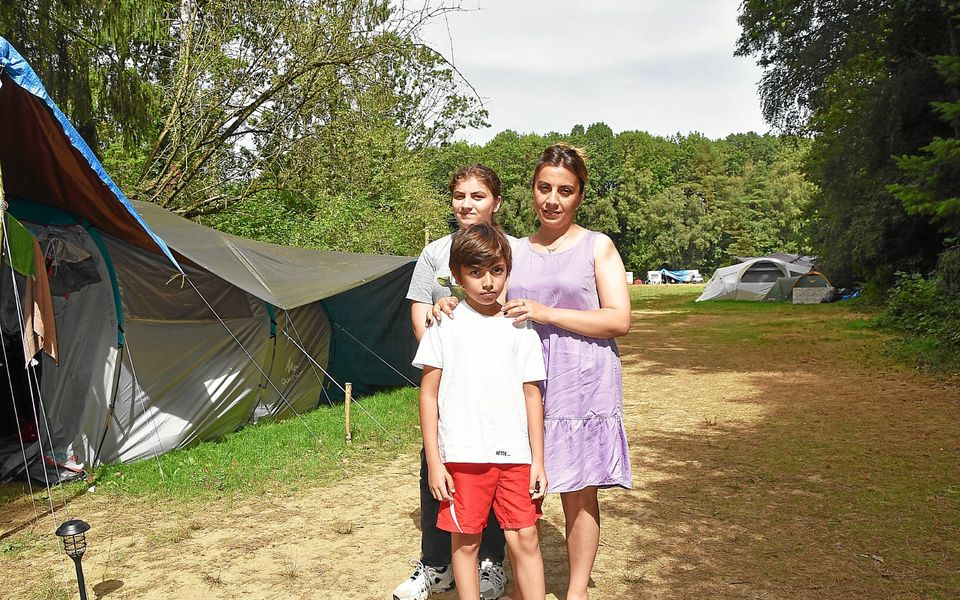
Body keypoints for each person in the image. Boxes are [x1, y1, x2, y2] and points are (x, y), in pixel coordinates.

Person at [432, 144, 632, 599]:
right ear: (533, 191)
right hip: (522, 382)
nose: (552, 200)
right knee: (524, 491)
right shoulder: (516, 249)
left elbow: (619, 319)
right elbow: (487, 294)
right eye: (544, 188)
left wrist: (546, 312)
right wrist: (449, 304)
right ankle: (526, 588)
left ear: (580, 195)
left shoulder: (597, 246)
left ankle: (576, 590)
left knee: (579, 491)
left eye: (565, 190)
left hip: (582, 381)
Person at [395, 165, 513, 600]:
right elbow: (418, 312)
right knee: (437, 467)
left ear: (496, 202)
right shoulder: (434, 253)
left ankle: (490, 565)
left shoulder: (511, 250)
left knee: (495, 469)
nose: (467, 204)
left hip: (498, 387)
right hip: (448, 385)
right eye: (460, 196)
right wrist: (443, 352)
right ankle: (436, 566)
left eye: (478, 196)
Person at [414, 223, 547, 600]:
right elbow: (428, 395)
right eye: (475, 272)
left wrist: (538, 461)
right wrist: (435, 463)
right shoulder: (444, 324)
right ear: (457, 276)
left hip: (516, 457)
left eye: (497, 270)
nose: (488, 282)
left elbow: (533, 396)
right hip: (462, 456)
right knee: (466, 540)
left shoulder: (521, 326)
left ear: (508, 270)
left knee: (525, 537)